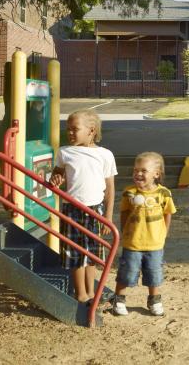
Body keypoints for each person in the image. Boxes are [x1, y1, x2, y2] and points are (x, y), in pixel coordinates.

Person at [49, 110, 117, 304]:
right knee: (75, 254)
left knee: (92, 254)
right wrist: (56, 178)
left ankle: (91, 292)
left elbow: (110, 189)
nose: (70, 133)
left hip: (96, 210)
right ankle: (80, 294)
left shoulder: (105, 155)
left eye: (75, 129)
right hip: (73, 210)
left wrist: (108, 217)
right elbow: (57, 174)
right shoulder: (65, 152)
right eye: (68, 129)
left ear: (91, 131)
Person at [113, 151, 177, 317]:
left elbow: (167, 213)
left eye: (143, 170)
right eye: (135, 170)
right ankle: (119, 299)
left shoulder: (164, 193)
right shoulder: (129, 192)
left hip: (155, 244)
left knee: (154, 273)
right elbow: (124, 213)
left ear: (156, 174)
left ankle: (154, 300)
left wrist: (164, 233)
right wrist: (125, 231)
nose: (138, 174)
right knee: (127, 272)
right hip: (133, 243)